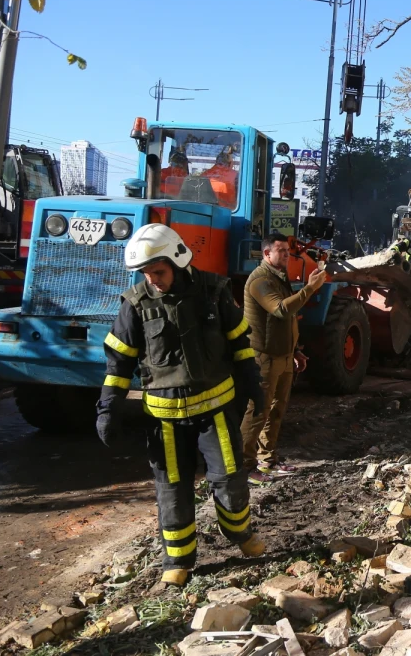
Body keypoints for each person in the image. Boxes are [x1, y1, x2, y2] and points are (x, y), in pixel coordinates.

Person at [98, 224, 265, 587]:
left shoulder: (215, 292)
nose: (152, 280)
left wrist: (253, 382)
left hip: (215, 412)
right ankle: (178, 560)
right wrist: (107, 407)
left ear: (177, 261)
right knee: (172, 489)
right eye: (146, 273)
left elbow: (240, 343)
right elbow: (119, 363)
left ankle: (241, 535)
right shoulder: (135, 305)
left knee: (230, 479)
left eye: (158, 271)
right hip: (165, 422)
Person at [241, 233, 327, 486]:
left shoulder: (279, 277)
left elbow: (288, 321)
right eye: (281, 251)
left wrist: (295, 350)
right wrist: (311, 288)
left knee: (276, 409)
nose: (287, 255)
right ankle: (244, 467)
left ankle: (267, 460)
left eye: (288, 251)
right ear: (267, 254)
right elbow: (281, 310)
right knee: (258, 411)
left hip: (284, 355)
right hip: (264, 357)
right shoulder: (260, 280)